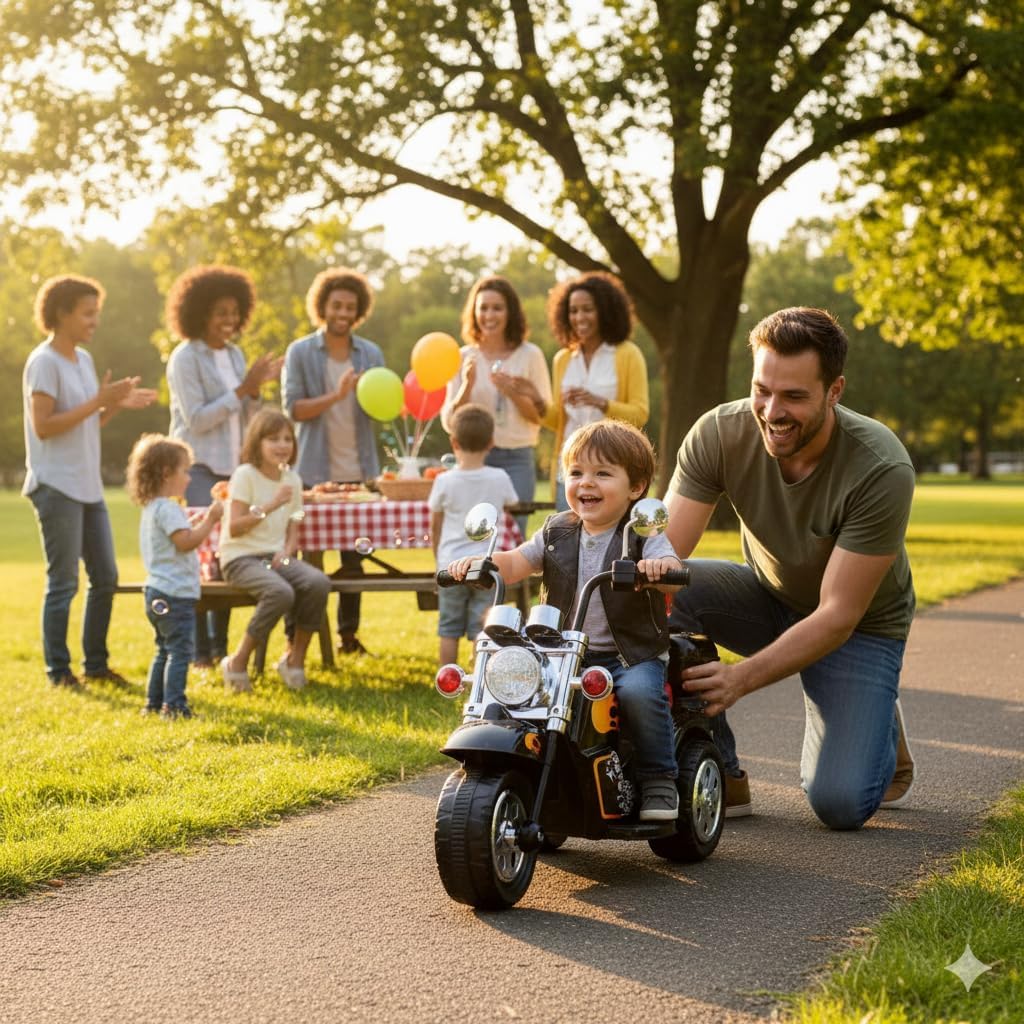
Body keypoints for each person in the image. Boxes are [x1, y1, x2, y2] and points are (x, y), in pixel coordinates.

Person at [664, 307, 917, 830]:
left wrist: (739, 678)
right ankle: (720, 771)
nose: (772, 411)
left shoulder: (881, 466)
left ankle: (875, 722)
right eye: (762, 390)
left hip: (857, 629)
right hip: (767, 598)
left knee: (840, 804)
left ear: (835, 390)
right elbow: (663, 556)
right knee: (663, 590)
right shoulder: (719, 432)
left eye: (794, 397)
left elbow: (839, 616)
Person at [445, 419, 684, 821]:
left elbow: (673, 569)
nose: (586, 483)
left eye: (602, 473)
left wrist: (660, 567)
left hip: (628, 657)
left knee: (640, 695)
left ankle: (659, 776)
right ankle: (530, 774)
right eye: (576, 473)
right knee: (516, 696)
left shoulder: (643, 533)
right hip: (560, 656)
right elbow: (519, 562)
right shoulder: (557, 530)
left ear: (636, 488)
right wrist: (485, 564)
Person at [22, 274, 157, 688]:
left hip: (87, 486)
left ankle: (95, 665)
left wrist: (112, 405)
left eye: (96, 313)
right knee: (63, 582)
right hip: (55, 485)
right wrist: (98, 400)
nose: (94, 321)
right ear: (61, 313)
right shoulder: (44, 361)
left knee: (106, 578)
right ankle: (58, 671)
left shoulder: (83, 360)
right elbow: (44, 427)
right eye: (87, 313)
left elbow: (86, 423)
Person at [165, 264, 282, 667]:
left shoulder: (234, 354)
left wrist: (255, 392)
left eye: (235, 312)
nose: (230, 321)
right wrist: (243, 389)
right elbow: (197, 419)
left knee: (230, 553)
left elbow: (243, 413)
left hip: (233, 469)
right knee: (203, 556)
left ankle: (219, 647)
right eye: (221, 312)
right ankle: (199, 651)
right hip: (197, 468)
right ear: (199, 313)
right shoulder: (185, 358)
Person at [282, 268, 384, 656]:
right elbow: (293, 409)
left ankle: (347, 637)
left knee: (354, 563)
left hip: (359, 471)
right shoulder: (301, 352)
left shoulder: (370, 353)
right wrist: (336, 394)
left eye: (350, 306)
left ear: (359, 311)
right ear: (322, 306)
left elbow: (382, 407)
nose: (343, 311)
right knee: (304, 561)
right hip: (312, 473)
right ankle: (297, 638)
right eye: (336, 304)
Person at [218, 409, 331, 692]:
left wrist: (289, 549)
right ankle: (237, 662)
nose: (282, 445)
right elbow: (235, 527)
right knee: (280, 592)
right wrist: (271, 504)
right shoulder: (245, 475)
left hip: (273, 556)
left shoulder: (292, 479)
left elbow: (295, 521)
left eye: (287, 439)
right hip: (239, 557)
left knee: (318, 582)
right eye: (273, 439)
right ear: (257, 442)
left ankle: (294, 660)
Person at [441, 275, 552, 535]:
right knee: (473, 534)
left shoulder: (530, 355)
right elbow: (450, 422)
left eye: (497, 308)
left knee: (512, 533)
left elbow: (540, 417)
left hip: (517, 458)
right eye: (484, 308)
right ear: (474, 312)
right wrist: (467, 385)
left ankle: (511, 579)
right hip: (474, 458)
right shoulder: (462, 357)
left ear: (510, 313)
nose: (489, 315)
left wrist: (511, 392)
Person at [126, 434, 223, 719]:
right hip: (175, 594)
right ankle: (175, 707)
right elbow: (186, 542)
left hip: (157, 592)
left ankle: (154, 704)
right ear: (166, 473)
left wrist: (193, 522)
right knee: (180, 652)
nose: (189, 478)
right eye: (184, 470)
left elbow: (175, 537)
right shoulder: (168, 508)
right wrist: (211, 519)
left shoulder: (154, 508)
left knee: (163, 650)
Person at [543, 271, 650, 511]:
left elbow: (640, 414)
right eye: (573, 311)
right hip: (570, 470)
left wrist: (601, 403)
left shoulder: (627, 354)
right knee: (566, 543)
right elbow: (558, 420)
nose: (579, 317)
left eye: (587, 309)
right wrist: (533, 401)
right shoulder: (562, 359)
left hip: (612, 470)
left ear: (604, 310)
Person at [429, 404, 519, 666]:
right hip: (486, 564)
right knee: (482, 626)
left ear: (453, 441)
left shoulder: (444, 481)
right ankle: (478, 678)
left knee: (448, 627)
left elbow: (435, 525)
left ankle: (447, 678)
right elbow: (512, 504)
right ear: (491, 443)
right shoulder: (499, 477)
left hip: (450, 566)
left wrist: (438, 559)